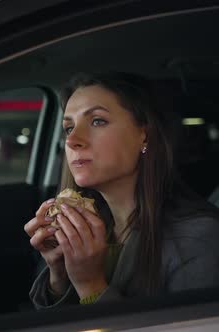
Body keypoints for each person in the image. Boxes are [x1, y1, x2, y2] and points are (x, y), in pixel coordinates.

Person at [24, 72, 219, 308]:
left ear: (144, 135)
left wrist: (90, 285)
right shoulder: (88, 226)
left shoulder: (199, 238)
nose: (72, 139)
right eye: (68, 128)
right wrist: (59, 274)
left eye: (97, 121)